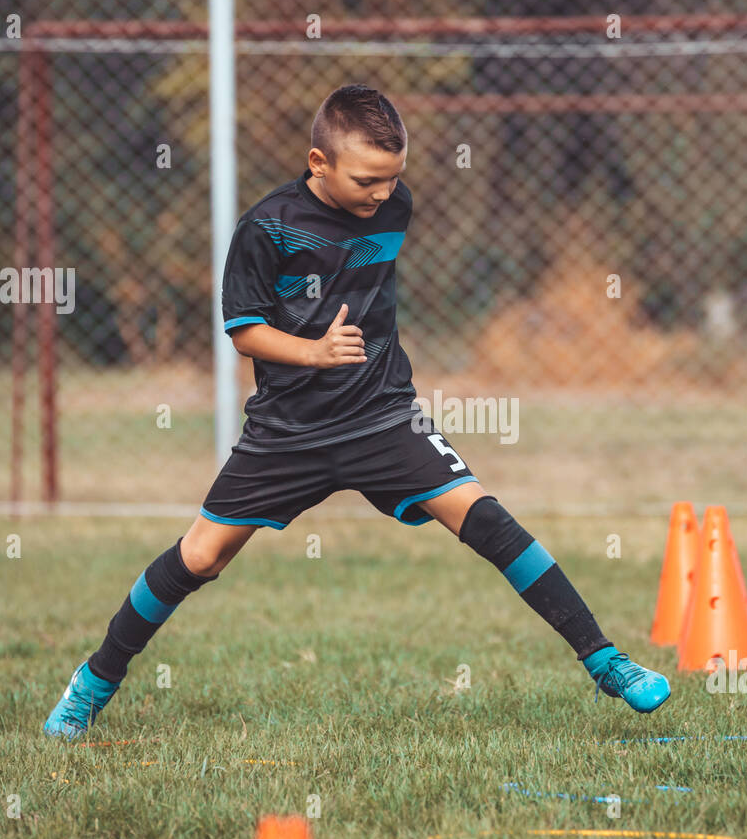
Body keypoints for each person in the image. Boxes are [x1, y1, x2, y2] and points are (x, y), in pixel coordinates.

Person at [44, 84, 670, 740]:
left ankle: (606, 661)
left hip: (382, 415)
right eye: (367, 179)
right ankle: (94, 681)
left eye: (393, 177)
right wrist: (314, 353)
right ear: (318, 162)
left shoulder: (395, 205)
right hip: (289, 430)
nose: (382, 193)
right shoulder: (266, 228)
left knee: (485, 518)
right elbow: (244, 332)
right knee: (201, 559)